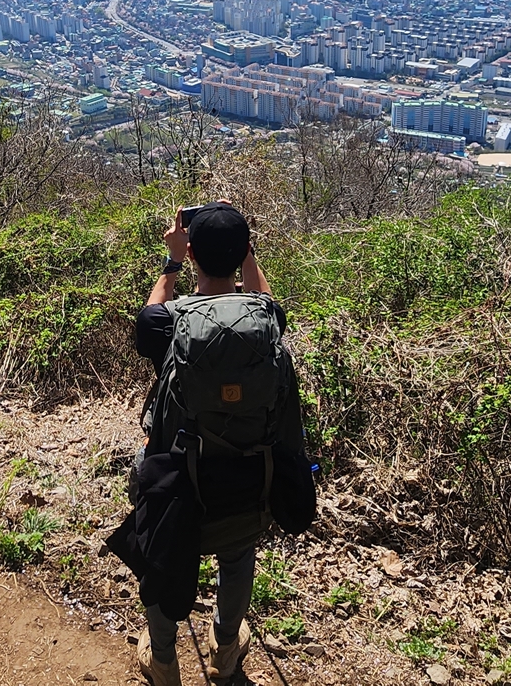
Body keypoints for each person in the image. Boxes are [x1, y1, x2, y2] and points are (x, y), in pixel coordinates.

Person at [132, 201, 307, 685]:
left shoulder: (167, 325)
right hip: (251, 480)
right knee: (237, 560)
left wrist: (169, 262)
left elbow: (151, 313)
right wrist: (248, 256)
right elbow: (267, 304)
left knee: (164, 562)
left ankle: (164, 661)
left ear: (190, 253)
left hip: (179, 483)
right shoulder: (269, 321)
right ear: (245, 252)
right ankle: (225, 648)